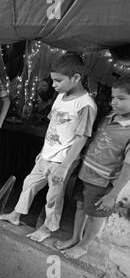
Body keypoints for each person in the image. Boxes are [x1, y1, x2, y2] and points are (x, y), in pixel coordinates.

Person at [0, 53, 97, 243]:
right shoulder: (60, 97)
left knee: (53, 196)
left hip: (62, 160)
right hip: (46, 155)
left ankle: (47, 228)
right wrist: (42, 151)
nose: (53, 85)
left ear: (76, 78)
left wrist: (64, 167)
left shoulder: (85, 105)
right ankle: (16, 215)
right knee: (29, 183)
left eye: (58, 81)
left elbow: (81, 139)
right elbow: (53, 127)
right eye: (53, 80)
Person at [54, 75, 130, 259]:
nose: (114, 102)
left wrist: (113, 195)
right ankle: (75, 238)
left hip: (103, 182)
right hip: (85, 173)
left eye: (121, 98)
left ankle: (84, 246)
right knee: (80, 206)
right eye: (113, 97)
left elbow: (128, 166)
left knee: (97, 216)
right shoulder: (110, 116)